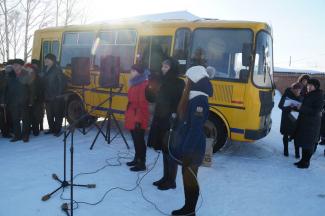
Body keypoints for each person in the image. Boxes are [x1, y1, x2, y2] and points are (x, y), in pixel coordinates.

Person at [171, 65, 213, 216]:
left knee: (190, 178)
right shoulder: (194, 96)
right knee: (187, 177)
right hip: (190, 145)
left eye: (188, 78)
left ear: (194, 79)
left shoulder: (199, 99)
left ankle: (189, 210)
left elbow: (195, 128)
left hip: (193, 148)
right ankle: (188, 208)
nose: (186, 81)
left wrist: (187, 151)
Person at [150, 58, 185, 190]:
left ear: (173, 67)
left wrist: (174, 116)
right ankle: (165, 177)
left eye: (166, 67)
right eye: (162, 66)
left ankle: (172, 181)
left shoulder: (179, 82)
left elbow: (179, 102)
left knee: (170, 151)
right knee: (164, 150)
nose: (163, 69)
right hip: (160, 119)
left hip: (170, 121)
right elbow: (154, 98)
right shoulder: (162, 81)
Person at [294, 78, 324, 169]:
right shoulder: (310, 94)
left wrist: (302, 108)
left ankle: (306, 163)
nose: (308, 87)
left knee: (309, 144)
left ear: (316, 86)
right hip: (305, 122)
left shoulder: (319, 96)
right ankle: (302, 160)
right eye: (308, 85)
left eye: (311, 86)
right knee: (304, 142)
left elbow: (316, 111)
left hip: (312, 124)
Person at [125, 64, 149, 172]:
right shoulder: (135, 83)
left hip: (138, 117)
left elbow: (143, 104)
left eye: (133, 71)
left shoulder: (143, 84)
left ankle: (141, 163)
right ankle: (136, 158)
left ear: (138, 72)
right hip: (132, 115)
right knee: (135, 139)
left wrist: (139, 120)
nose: (131, 72)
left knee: (139, 140)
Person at [5, 59, 30, 142]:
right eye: (13, 65)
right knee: (15, 119)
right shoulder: (9, 75)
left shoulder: (27, 74)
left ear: (21, 66)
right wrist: (6, 100)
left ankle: (25, 135)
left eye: (16, 65)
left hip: (24, 101)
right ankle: (17, 136)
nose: (14, 66)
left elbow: (32, 89)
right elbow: (6, 89)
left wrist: (30, 100)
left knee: (25, 120)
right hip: (13, 101)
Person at [42, 53, 66, 136]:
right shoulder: (45, 69)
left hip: (56, 96)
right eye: (45, 59)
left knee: (57, 114)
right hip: (47, 96)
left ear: (52, 61)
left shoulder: (57, 69)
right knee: (49, 114)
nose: (45, 60)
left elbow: (62, 83)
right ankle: (51, 129)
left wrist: (58, 94)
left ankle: (57, 130)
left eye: (47, 59)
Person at [278, 82, 303, 158]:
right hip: (287, 118)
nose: (297, 92)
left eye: (299, 90)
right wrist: (290, 107)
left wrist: (299, 108)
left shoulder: (302, 97)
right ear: (292, 89)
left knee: (296, 136)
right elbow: (280, 106)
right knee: (285, 134)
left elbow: (303, 108)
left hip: (296, 119)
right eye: (296, 90)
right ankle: (286, 150)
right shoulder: (286, 95)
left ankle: (297, 153)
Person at [25, 64, 43, 136]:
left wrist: (36, 96)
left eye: (29, 68)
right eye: (27, 68)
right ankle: (28, 130)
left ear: (33, 69)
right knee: (28, 116)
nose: (28, 70)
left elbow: (40, 88)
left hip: (36, 100)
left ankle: (36, 130)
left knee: (35, 116)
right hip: (27, 99)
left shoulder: (37, 77)